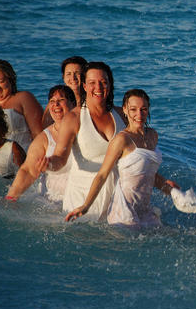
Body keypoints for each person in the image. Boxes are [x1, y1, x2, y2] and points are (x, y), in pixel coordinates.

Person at [65, 89, 179, 227]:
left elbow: (147, 173)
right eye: (133, 109)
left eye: (143, 109)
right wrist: (85, 206)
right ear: (125, 110)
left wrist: (169, 188)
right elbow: (102, 175)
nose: (139, 114)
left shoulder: (153, 135)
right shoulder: (122, 139)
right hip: (124, 212)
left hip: (144, 210)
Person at [45, 61, 126, 221]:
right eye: (92, 83)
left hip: (116, 197)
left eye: (103, 82)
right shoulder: (74, 118)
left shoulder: (121, 114)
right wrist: (49, 163)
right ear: (84, 86)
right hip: (81, 198)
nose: (99, 88)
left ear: (110, 85)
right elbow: (60, 157)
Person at [6, 86, 76, 202]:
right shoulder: (44, 138)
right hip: (52, 200)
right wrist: (11, 197)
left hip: (80, 195)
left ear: (73, 104)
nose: (56, 105)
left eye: (61, 100)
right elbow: (28, 170)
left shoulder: (85, 129)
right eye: (52, 101)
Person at [0, 60, 43, 152]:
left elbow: (38, 134)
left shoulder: (23, 98)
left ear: (11, 80)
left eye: (1, 81)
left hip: (22, 154)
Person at [42, 56, 87, 127]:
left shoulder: (91, 100)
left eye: (77, 73)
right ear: (63, 77)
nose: (73, 78)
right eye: (68, 74)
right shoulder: (55, 103)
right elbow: (45, 127)